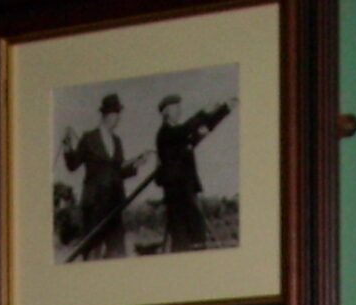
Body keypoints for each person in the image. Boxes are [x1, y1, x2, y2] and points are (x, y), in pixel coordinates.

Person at [60, 94, 137, 261]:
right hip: (94, 203)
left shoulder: (117, 141)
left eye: (119, 114)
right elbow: (73, 165)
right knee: (92, 251)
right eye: (117, 114)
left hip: (115, 203)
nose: (119, 118)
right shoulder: (89, 138)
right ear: (107, 115)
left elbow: (117, 171)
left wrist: (135, 166)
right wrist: (67, 147)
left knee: (117, 250)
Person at [153, 92, 232, 253]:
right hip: (176, 193)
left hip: (187, 190)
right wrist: (204, 111)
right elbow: (186, 130)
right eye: (175, 108)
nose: (179, 111)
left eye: (179, 108)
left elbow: (204, 127)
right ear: (165, 112)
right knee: (182, 239)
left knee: (196, 235)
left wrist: (224, 109)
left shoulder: (179, 134)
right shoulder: (166, 133)